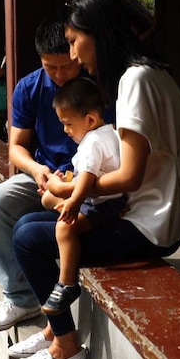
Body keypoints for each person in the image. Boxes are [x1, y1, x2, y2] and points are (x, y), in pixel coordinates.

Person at [7, 0, 180, 359]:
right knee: (29, 226)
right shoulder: (148, 74)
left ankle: (65, 345)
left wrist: (71, 189)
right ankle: (52, 329)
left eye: (75, 42)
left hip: (150, 223)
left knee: (28, 239)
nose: (74, 55)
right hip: (147, 210)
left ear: (99, 34)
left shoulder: (135, 81)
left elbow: (129, 176)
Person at [0, 19, 91, 333]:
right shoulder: (29, 87)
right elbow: (16, 147)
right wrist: (37, 170)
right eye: (50, 67)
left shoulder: (95, 84)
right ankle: (20, 297)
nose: (60, 74)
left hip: (91, 178)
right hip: (44, 174)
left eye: (66, 67)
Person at [38, 77, 125, 315]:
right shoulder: (110, 134)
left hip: (101, 205)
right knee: (47, 199)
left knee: (63, 228)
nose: (65, 131)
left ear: (89, 120)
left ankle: (67, 283)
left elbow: (87, 177)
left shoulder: (92, 142)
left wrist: (74, 202)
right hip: (112, 200)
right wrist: (66, 181)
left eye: (68, 124)